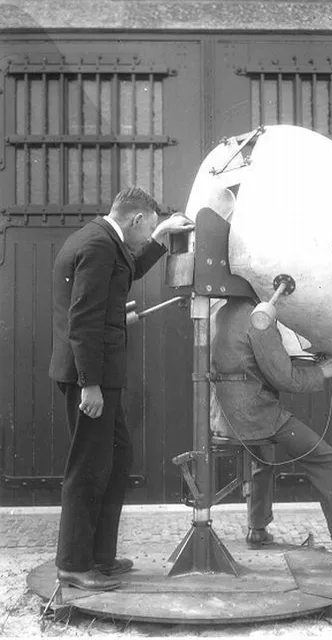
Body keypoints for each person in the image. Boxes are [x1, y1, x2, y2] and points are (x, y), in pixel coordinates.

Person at [49, 186, 194, 591]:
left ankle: (100, 557)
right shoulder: (98, 246)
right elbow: (83, 319)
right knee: (88, 468)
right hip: (91, 379)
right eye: (148, 229)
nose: (147, 237)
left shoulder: (100, 238)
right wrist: (89, 384)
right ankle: (74, 564)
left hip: (97, 374)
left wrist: (163, 236)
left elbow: (118, 280)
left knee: (114, 457)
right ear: (134, 220)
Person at [210, 297, 332, 570]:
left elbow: (252, 361)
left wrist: (310, 363)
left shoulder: (223, 311)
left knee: (261, 457)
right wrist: (321, 372)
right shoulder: (257, 317)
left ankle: (258, 529)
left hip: (225, 416)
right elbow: (283, 378)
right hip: (255, 415)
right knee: (329, 460)